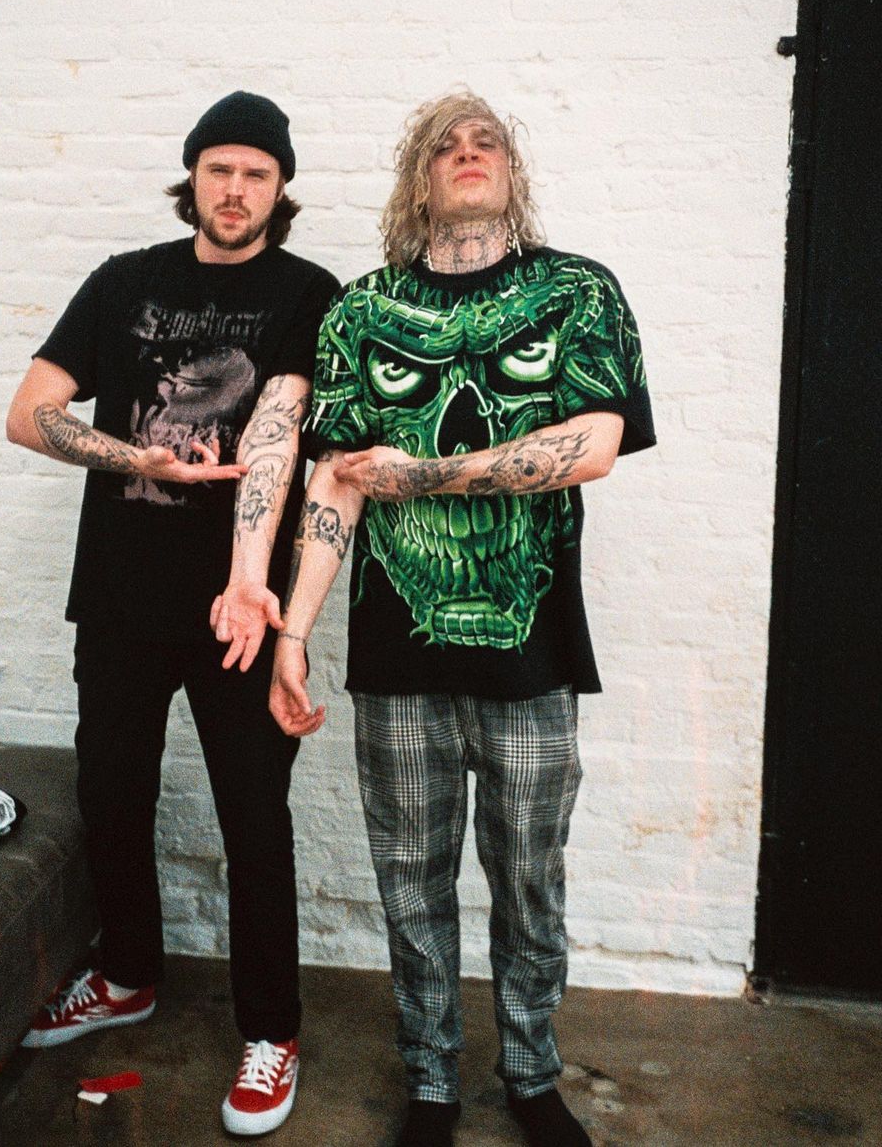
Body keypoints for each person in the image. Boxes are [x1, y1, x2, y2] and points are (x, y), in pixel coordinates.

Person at [267, 92, 655, 1147]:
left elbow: (594, 444)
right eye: (446, 144)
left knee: (530, 880)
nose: (468, 152)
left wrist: (425, 474)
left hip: (535, 661)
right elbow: (334, 484)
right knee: (410, 885)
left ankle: (530, 1076)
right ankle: (432, 1084)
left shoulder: (575, 292)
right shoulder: (361, 313)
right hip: (397, 662)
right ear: (419, 178)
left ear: (511, 172)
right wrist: (294, 633)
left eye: (487, 141)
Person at [6, 91, 338, 1137]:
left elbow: (283, 429)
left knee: (254, 817)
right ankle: (127, 975)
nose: (235, 190)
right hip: (118, 595)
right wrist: (133, 455)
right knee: (112, 793)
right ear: (192, 176)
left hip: (237, 606)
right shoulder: (123, 281)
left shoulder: (307, 292)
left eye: (257, 174)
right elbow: (29, 413)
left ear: (280, 191)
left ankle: (271, 1032)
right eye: (219, 169)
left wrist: (254, 584)